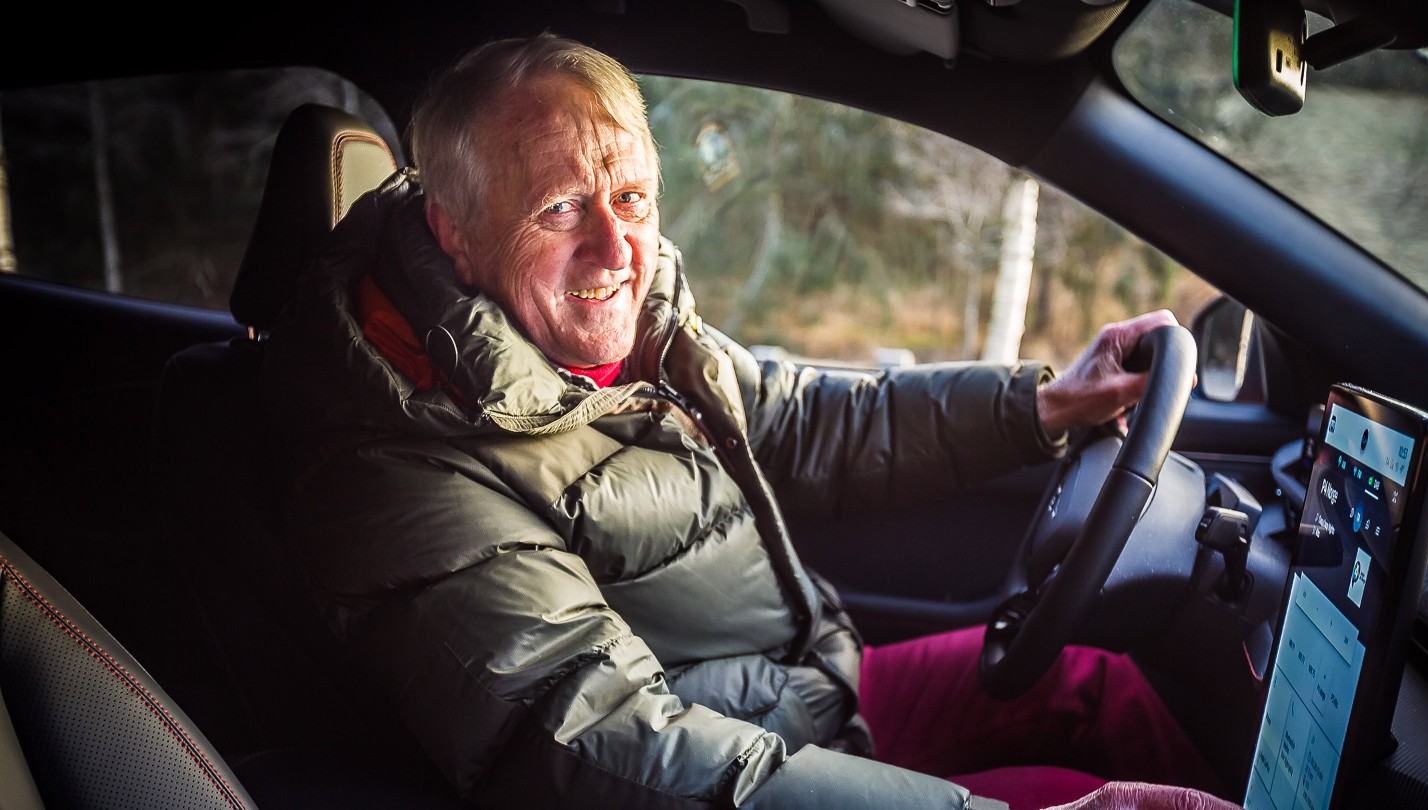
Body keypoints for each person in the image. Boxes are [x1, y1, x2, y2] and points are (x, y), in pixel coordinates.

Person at [262, 34, 1237, 810]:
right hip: (719, 755)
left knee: (1089, 678)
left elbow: (795, 419)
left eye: (632, 196)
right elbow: (599, 746)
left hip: (802, 691)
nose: (616, 249)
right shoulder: (390, 465)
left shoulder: (631, 333)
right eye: (560, 209)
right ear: (454, 230)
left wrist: (1041, 407)